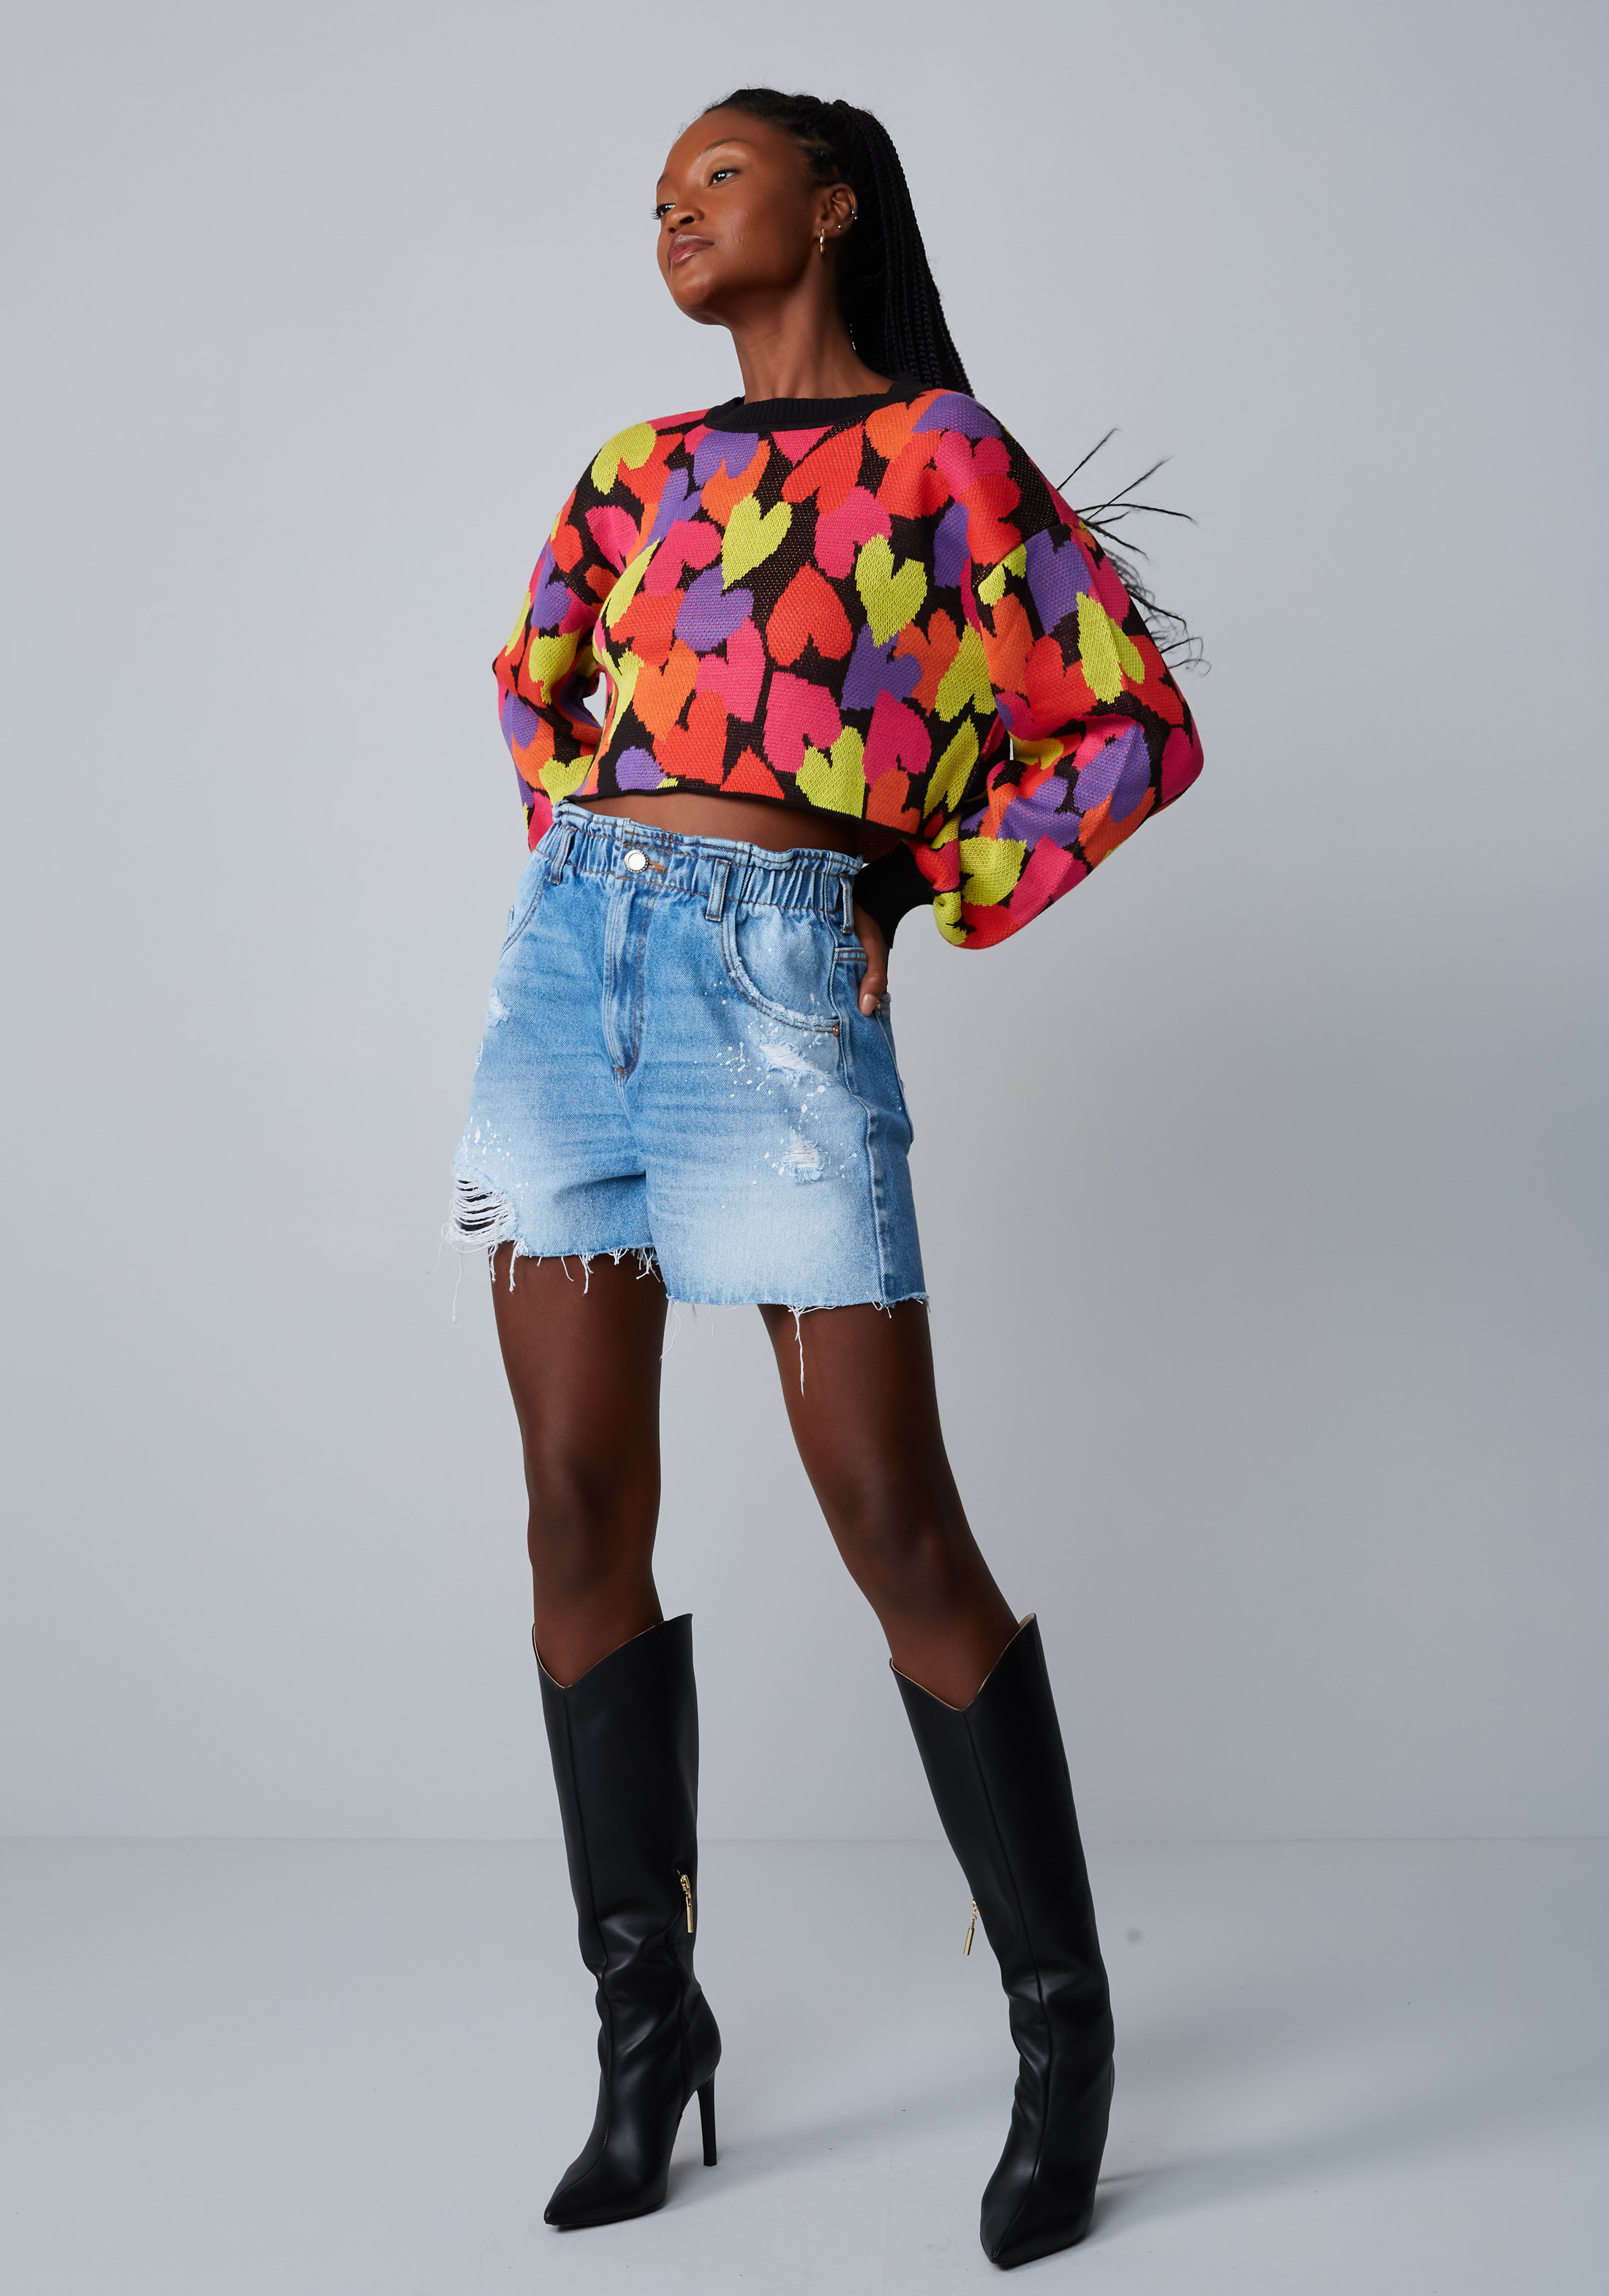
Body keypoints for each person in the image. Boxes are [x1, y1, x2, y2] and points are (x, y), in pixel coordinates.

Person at [448, 86, 1202, 2270]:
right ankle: (646, 2029)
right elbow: (537, 690)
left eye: (721, 174)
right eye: (659, 194)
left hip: (780, 988)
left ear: (835, 201)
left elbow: (1130, 725)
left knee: (890, 1508)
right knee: (573, 1503)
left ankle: (1063, 2032)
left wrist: (904, 885)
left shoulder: (943, 461)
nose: (678, 209)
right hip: (574, 978)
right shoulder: (640, 470)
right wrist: (606, 892)